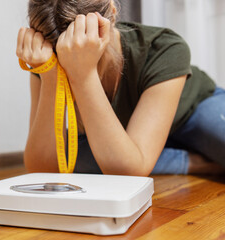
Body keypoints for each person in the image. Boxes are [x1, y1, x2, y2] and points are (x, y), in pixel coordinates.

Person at [16, 0, 225, 175]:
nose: (66, 58)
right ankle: (188, 159)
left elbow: (127, 170)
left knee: (99, 161)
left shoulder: (164, 47)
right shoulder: (47, 57)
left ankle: (149, 152)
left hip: (192, 111)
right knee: (79, 159)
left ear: (112, 13)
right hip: (122, 136)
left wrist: (84, 73)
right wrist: (51, 75)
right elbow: (41, 168)